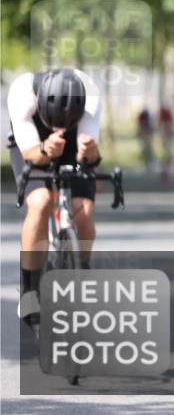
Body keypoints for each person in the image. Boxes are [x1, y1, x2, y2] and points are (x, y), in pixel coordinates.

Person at [7, 68, 102, 328]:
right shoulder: (22, 94)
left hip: (74, 142)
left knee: (82, 211)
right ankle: (29, 289)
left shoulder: (90, 93)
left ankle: (81, 267)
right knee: (40, 202)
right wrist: (44, 150)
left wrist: (88, 151)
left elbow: (91, 159)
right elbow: (30, 154)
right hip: (32, 141)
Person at [157, 106, 174, 183]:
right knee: (166, 155)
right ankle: (165, 172)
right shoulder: (166, 122)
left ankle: (165, 171)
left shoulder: (164, 121)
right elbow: (168, 127)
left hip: (166, 139)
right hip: (166, 139)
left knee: (167, 156)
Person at [137, 107, 156, 172]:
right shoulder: (142, 119)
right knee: (146, 150)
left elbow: (150, 129)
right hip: (145, 136)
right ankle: (148, 163)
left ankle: (150, 163)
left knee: (148, 149)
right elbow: (140, 128)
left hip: (147, 135)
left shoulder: (147, 120)